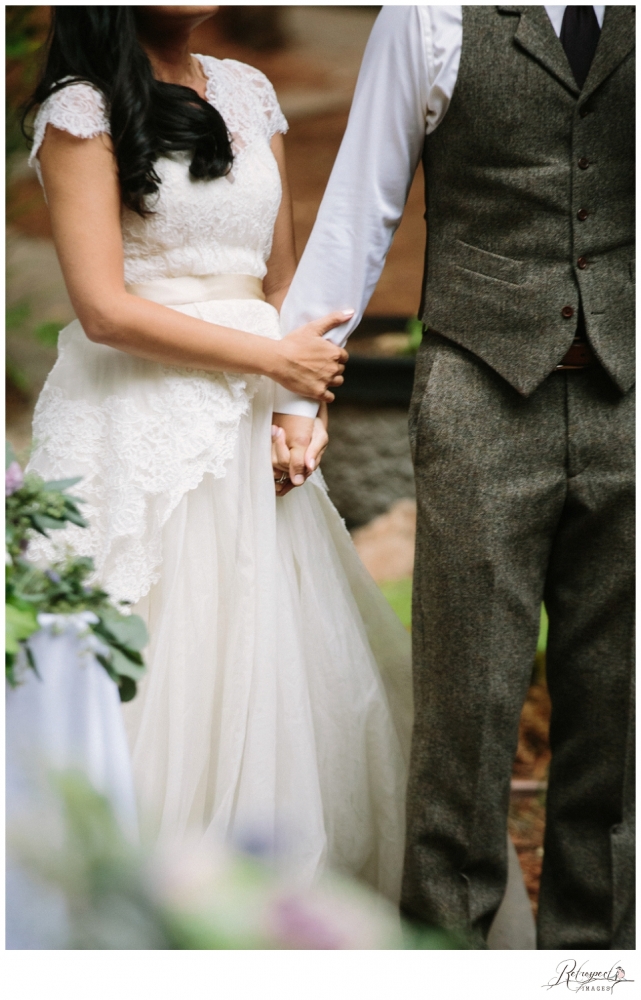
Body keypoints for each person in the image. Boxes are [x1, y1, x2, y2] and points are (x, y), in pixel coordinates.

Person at [24, 5, 414, 902]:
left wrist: (296, 411)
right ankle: (127, 902)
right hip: (136, 421)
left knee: (268, 648)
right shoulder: (78, 109)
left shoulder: (247, 89)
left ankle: (266, 901)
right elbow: (104, 309)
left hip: (251, 419)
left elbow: (276, 280)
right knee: (155, 650)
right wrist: (272, 359)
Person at [275, 6, 635, 950]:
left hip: (628, 390)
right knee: (464, 710)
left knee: (618, 711)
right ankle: (442, 960)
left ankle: (590, 965)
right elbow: (361, 201)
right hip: (479, 391)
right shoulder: (430, 14)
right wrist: (296, 389)